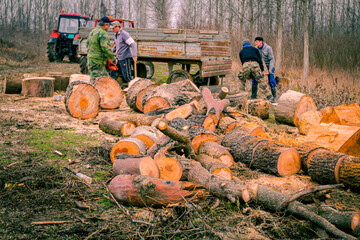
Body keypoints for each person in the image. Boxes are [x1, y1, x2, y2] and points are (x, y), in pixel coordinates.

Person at [87, 16, 116, 81]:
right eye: (108, 26)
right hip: (98, 61)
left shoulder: (92, 32)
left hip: (91, 60)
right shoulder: (103, 33)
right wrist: (113, 58)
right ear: (106, 25)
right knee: (104, 81)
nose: (108, 28)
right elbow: (106, 48)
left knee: (94, 79)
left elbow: (87, 45)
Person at [109, 21, 137, 87]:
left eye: (113, 28)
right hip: (118, 59)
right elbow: (116, 46)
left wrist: (134, 55)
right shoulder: (116, 35)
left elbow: (133, 44)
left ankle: (133, 87)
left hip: (125, 58)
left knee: (127, 76)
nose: (112, 30)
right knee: (113, 73)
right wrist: (110, 52)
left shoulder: (124, 34)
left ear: (118, 27)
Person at [254, 36, 276, 102]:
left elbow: (272, 59)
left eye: (257, 42)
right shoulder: (255, 49)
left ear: (261, 42)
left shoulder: (268, 48)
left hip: (269, 66)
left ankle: (274, 96)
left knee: (271, 80)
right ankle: (253, 95)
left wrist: (270, 69)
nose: (255, 43)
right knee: (254, 79)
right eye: (255, 42)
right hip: (260, 67)